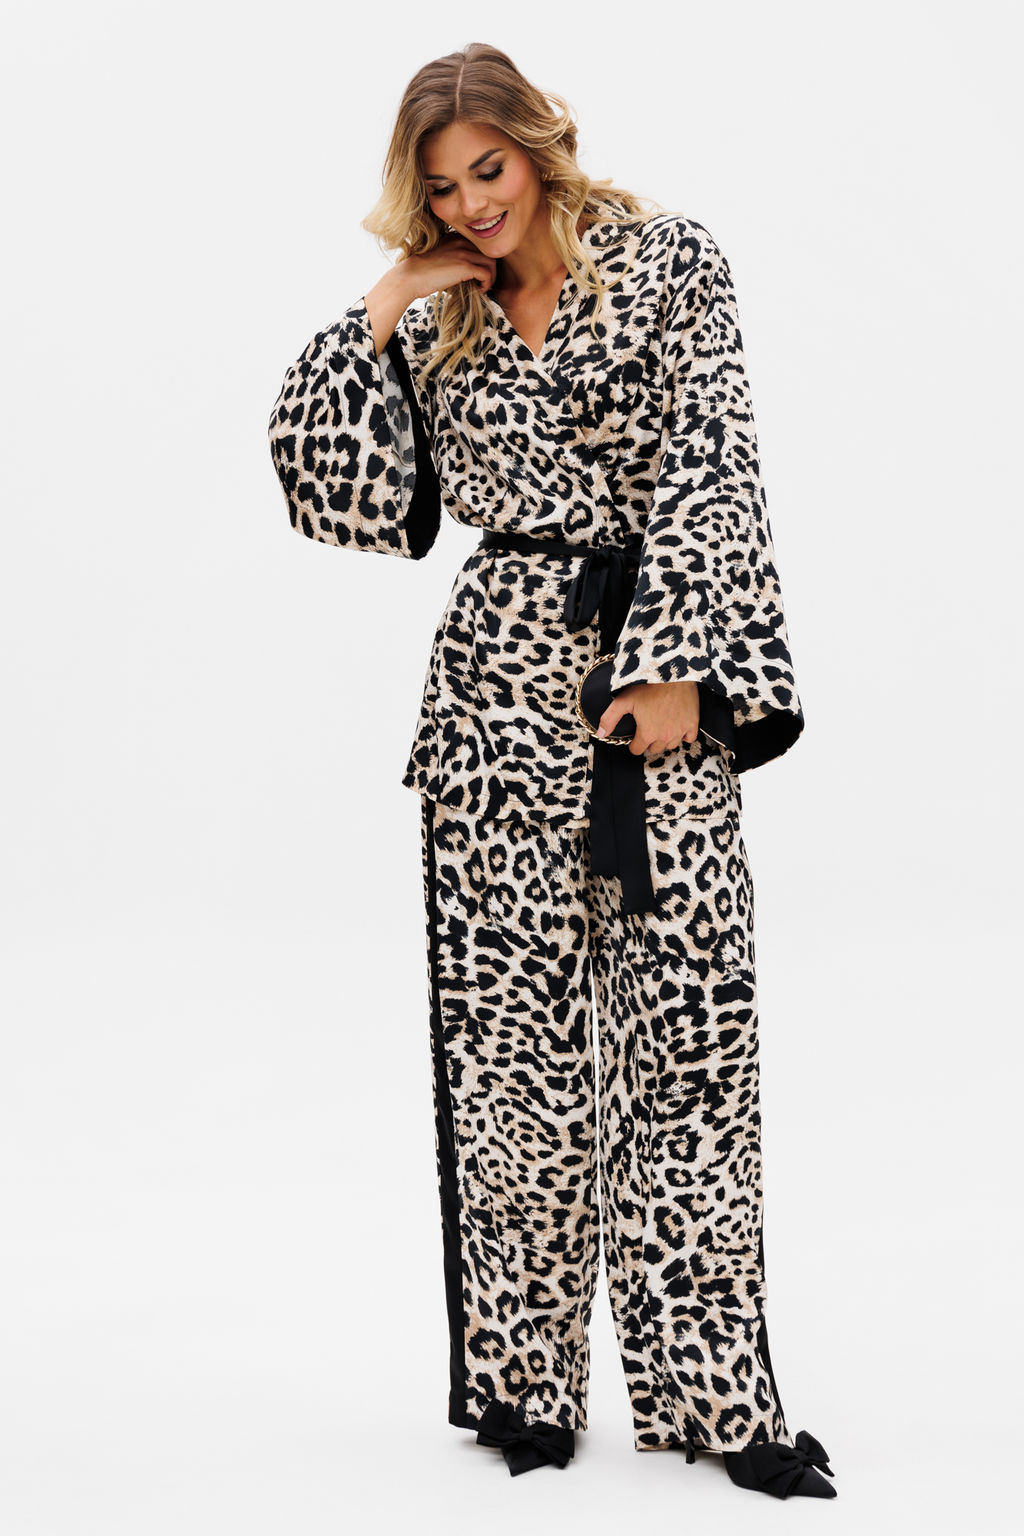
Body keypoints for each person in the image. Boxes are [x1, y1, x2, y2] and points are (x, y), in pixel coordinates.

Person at [267, 41, 837, 1500]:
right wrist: (386, 303)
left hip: (652, 701)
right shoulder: (440, 318)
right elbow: (331, 493)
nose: (473, 204)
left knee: (691, 1052)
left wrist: (676, 664)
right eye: (444, 188)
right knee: (509, 1063)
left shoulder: (668, 263)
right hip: (495, 708)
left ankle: (719, 1401)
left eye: (491, 169)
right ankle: (525, 1387)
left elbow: (716, 462)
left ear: (539, 144)